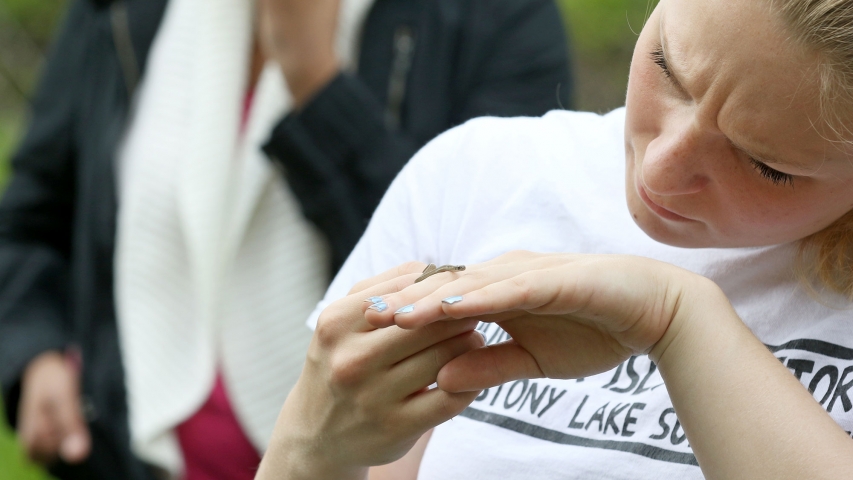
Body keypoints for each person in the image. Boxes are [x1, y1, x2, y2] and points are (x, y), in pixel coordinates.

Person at [254, 0, 853, 478]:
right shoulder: (482, 175)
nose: (659, 171)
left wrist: (680, 320)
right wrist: (314, 446)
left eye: (764, 164)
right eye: (668, 68)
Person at [0, 0, 572, 478]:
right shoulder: (122, 10)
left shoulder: (502, 18)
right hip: (134, 458)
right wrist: (33, 350)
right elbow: (36, 209)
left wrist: (316, 82)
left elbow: (480, 293)